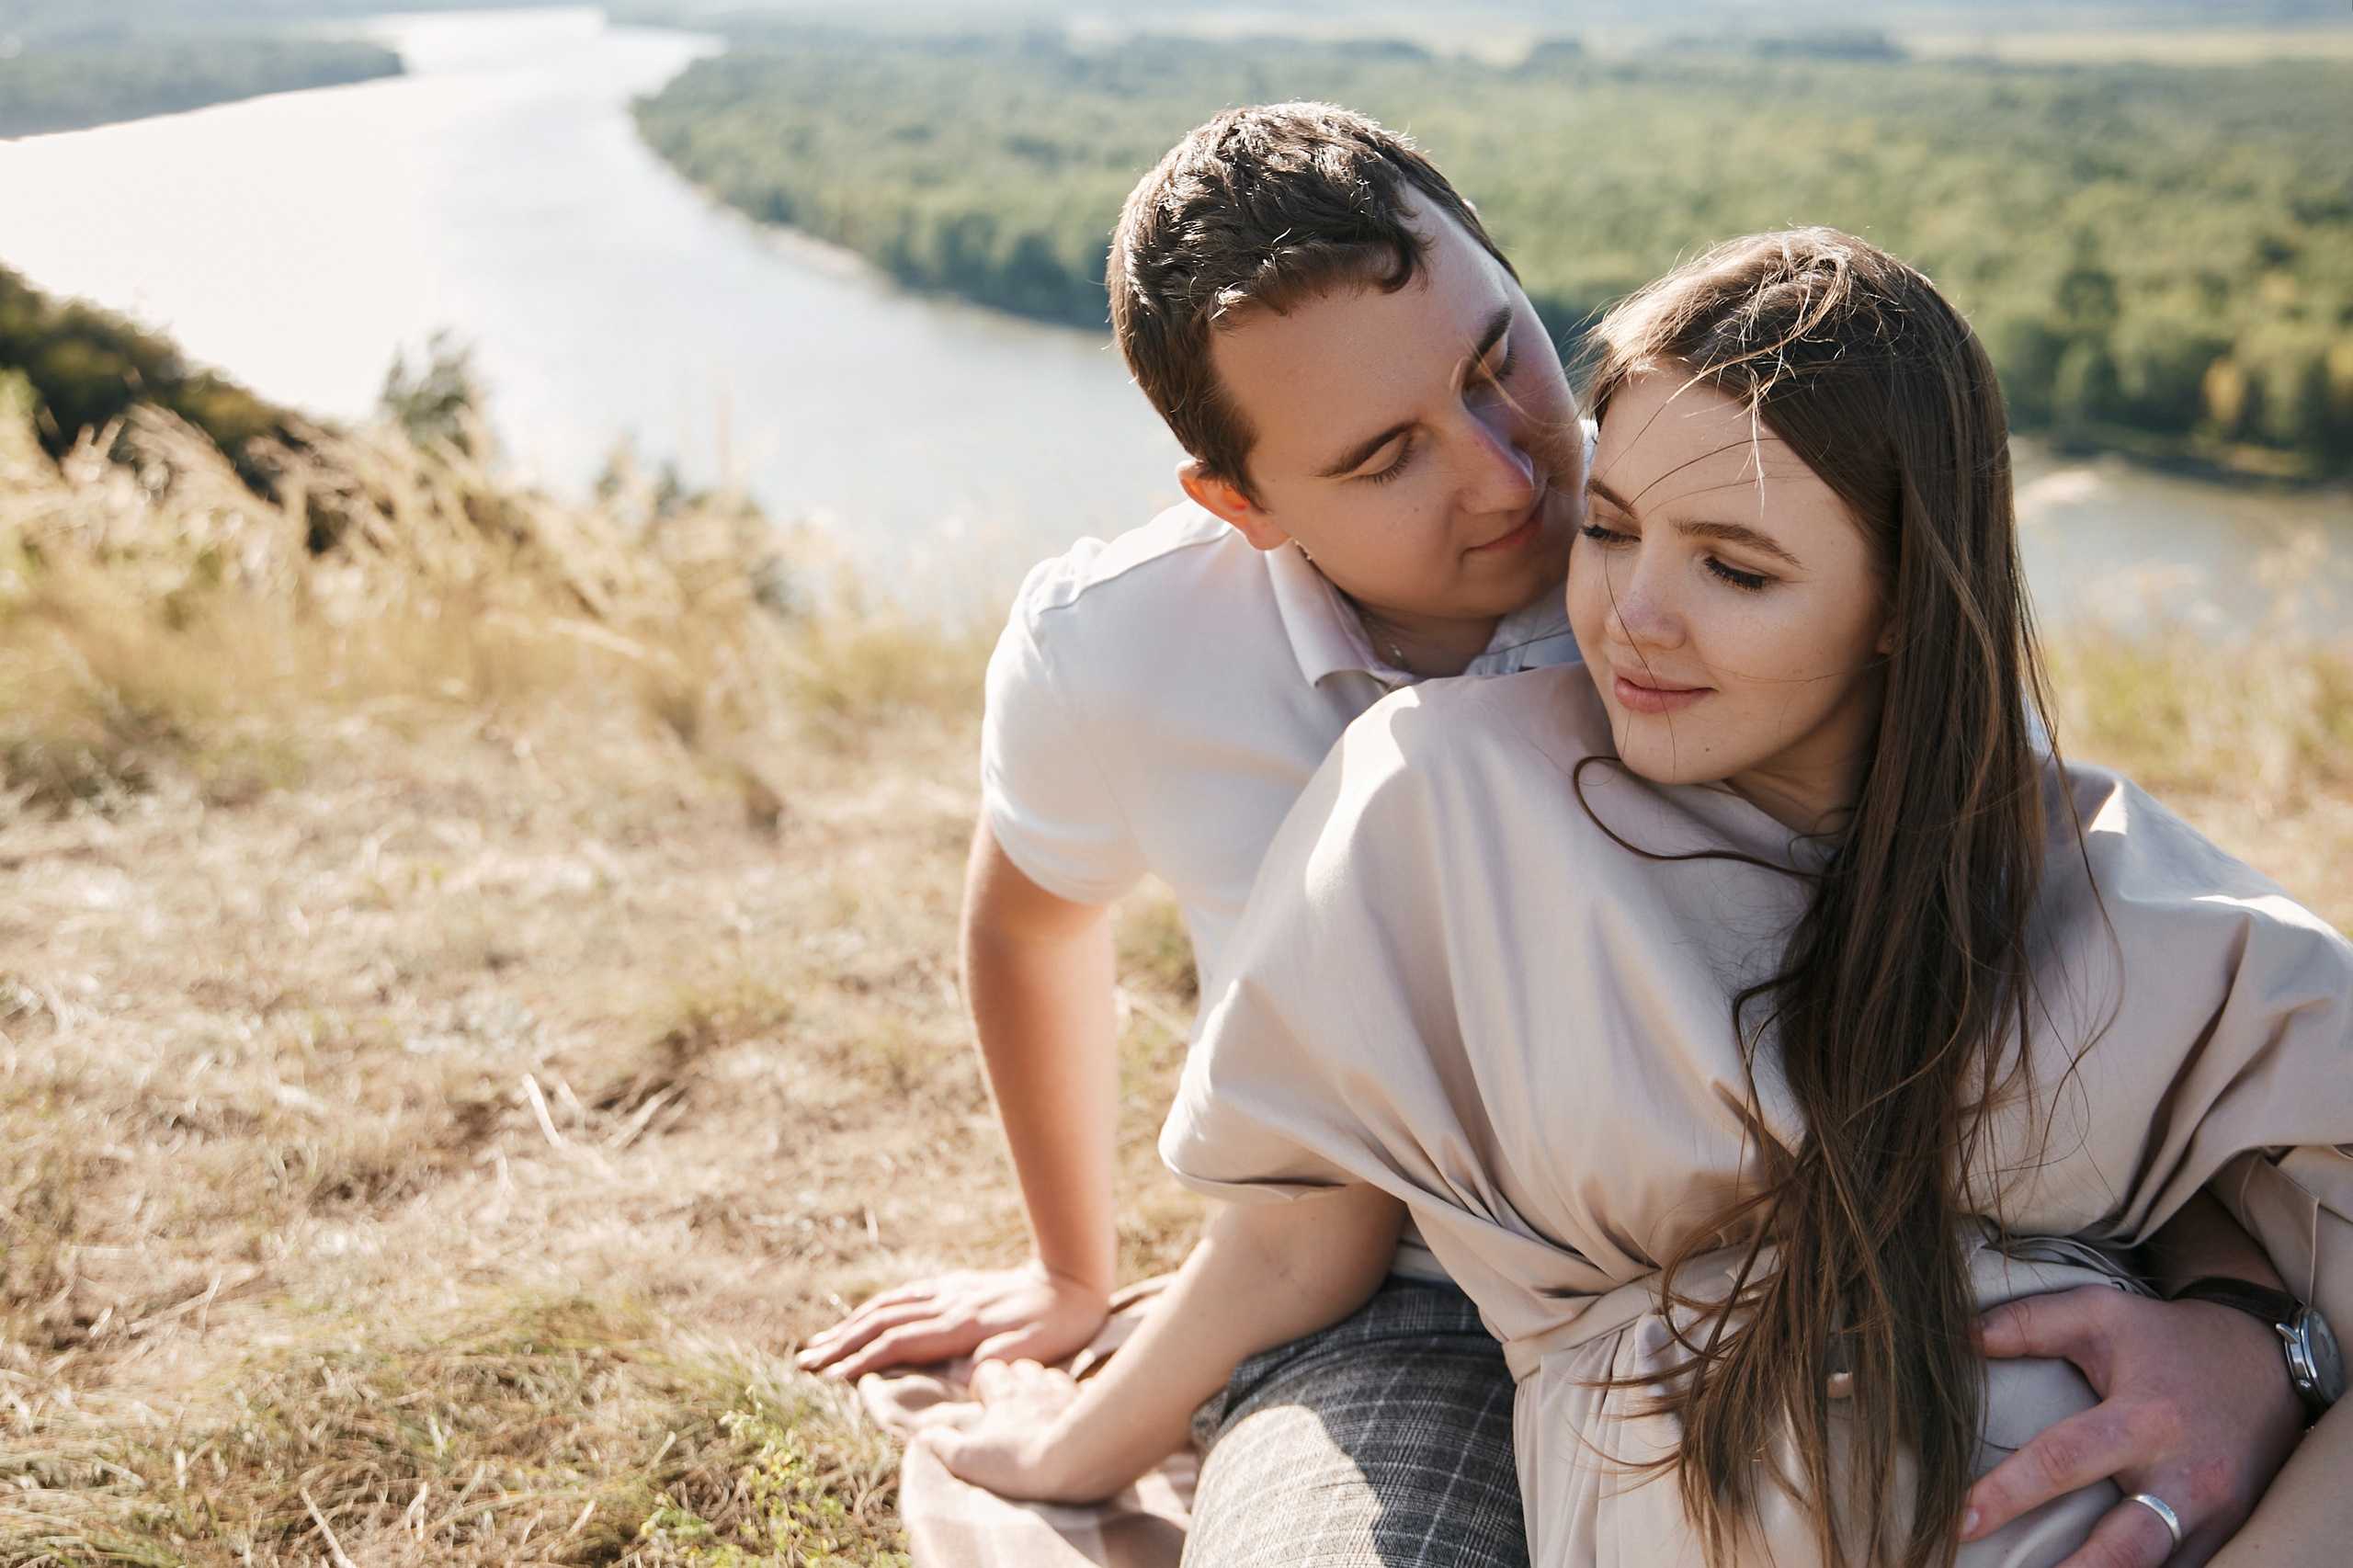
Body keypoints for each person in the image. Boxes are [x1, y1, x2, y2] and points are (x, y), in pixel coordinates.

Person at [800, 105, 2310, 1565]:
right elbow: (1030, 917)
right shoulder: (1124, 652)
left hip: (1837, 1279)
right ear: (1240, 501)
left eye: (1496, 357)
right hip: (1399, 1301)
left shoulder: (1708, 517)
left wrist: (2255, 1337)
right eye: (1386, 457)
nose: (1513, 472)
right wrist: (1071, 1275)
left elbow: (2064, 977)